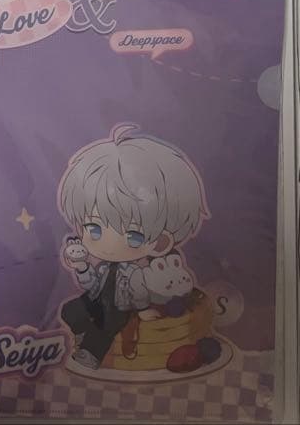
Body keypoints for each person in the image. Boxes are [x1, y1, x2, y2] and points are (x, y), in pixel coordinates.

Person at [58, 123, 210, 370]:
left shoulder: (136, 273)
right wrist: (83, 267)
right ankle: (84, 331)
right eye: (94, 229)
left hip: (121, 308)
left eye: (133, 236)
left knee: (107, 324)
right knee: (70, 309)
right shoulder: (103, 268)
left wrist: (142, 310)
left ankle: (91, 354)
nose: (109, 244)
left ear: (160, 242)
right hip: (97, 300)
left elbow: (139, 293)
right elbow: (91, 285)